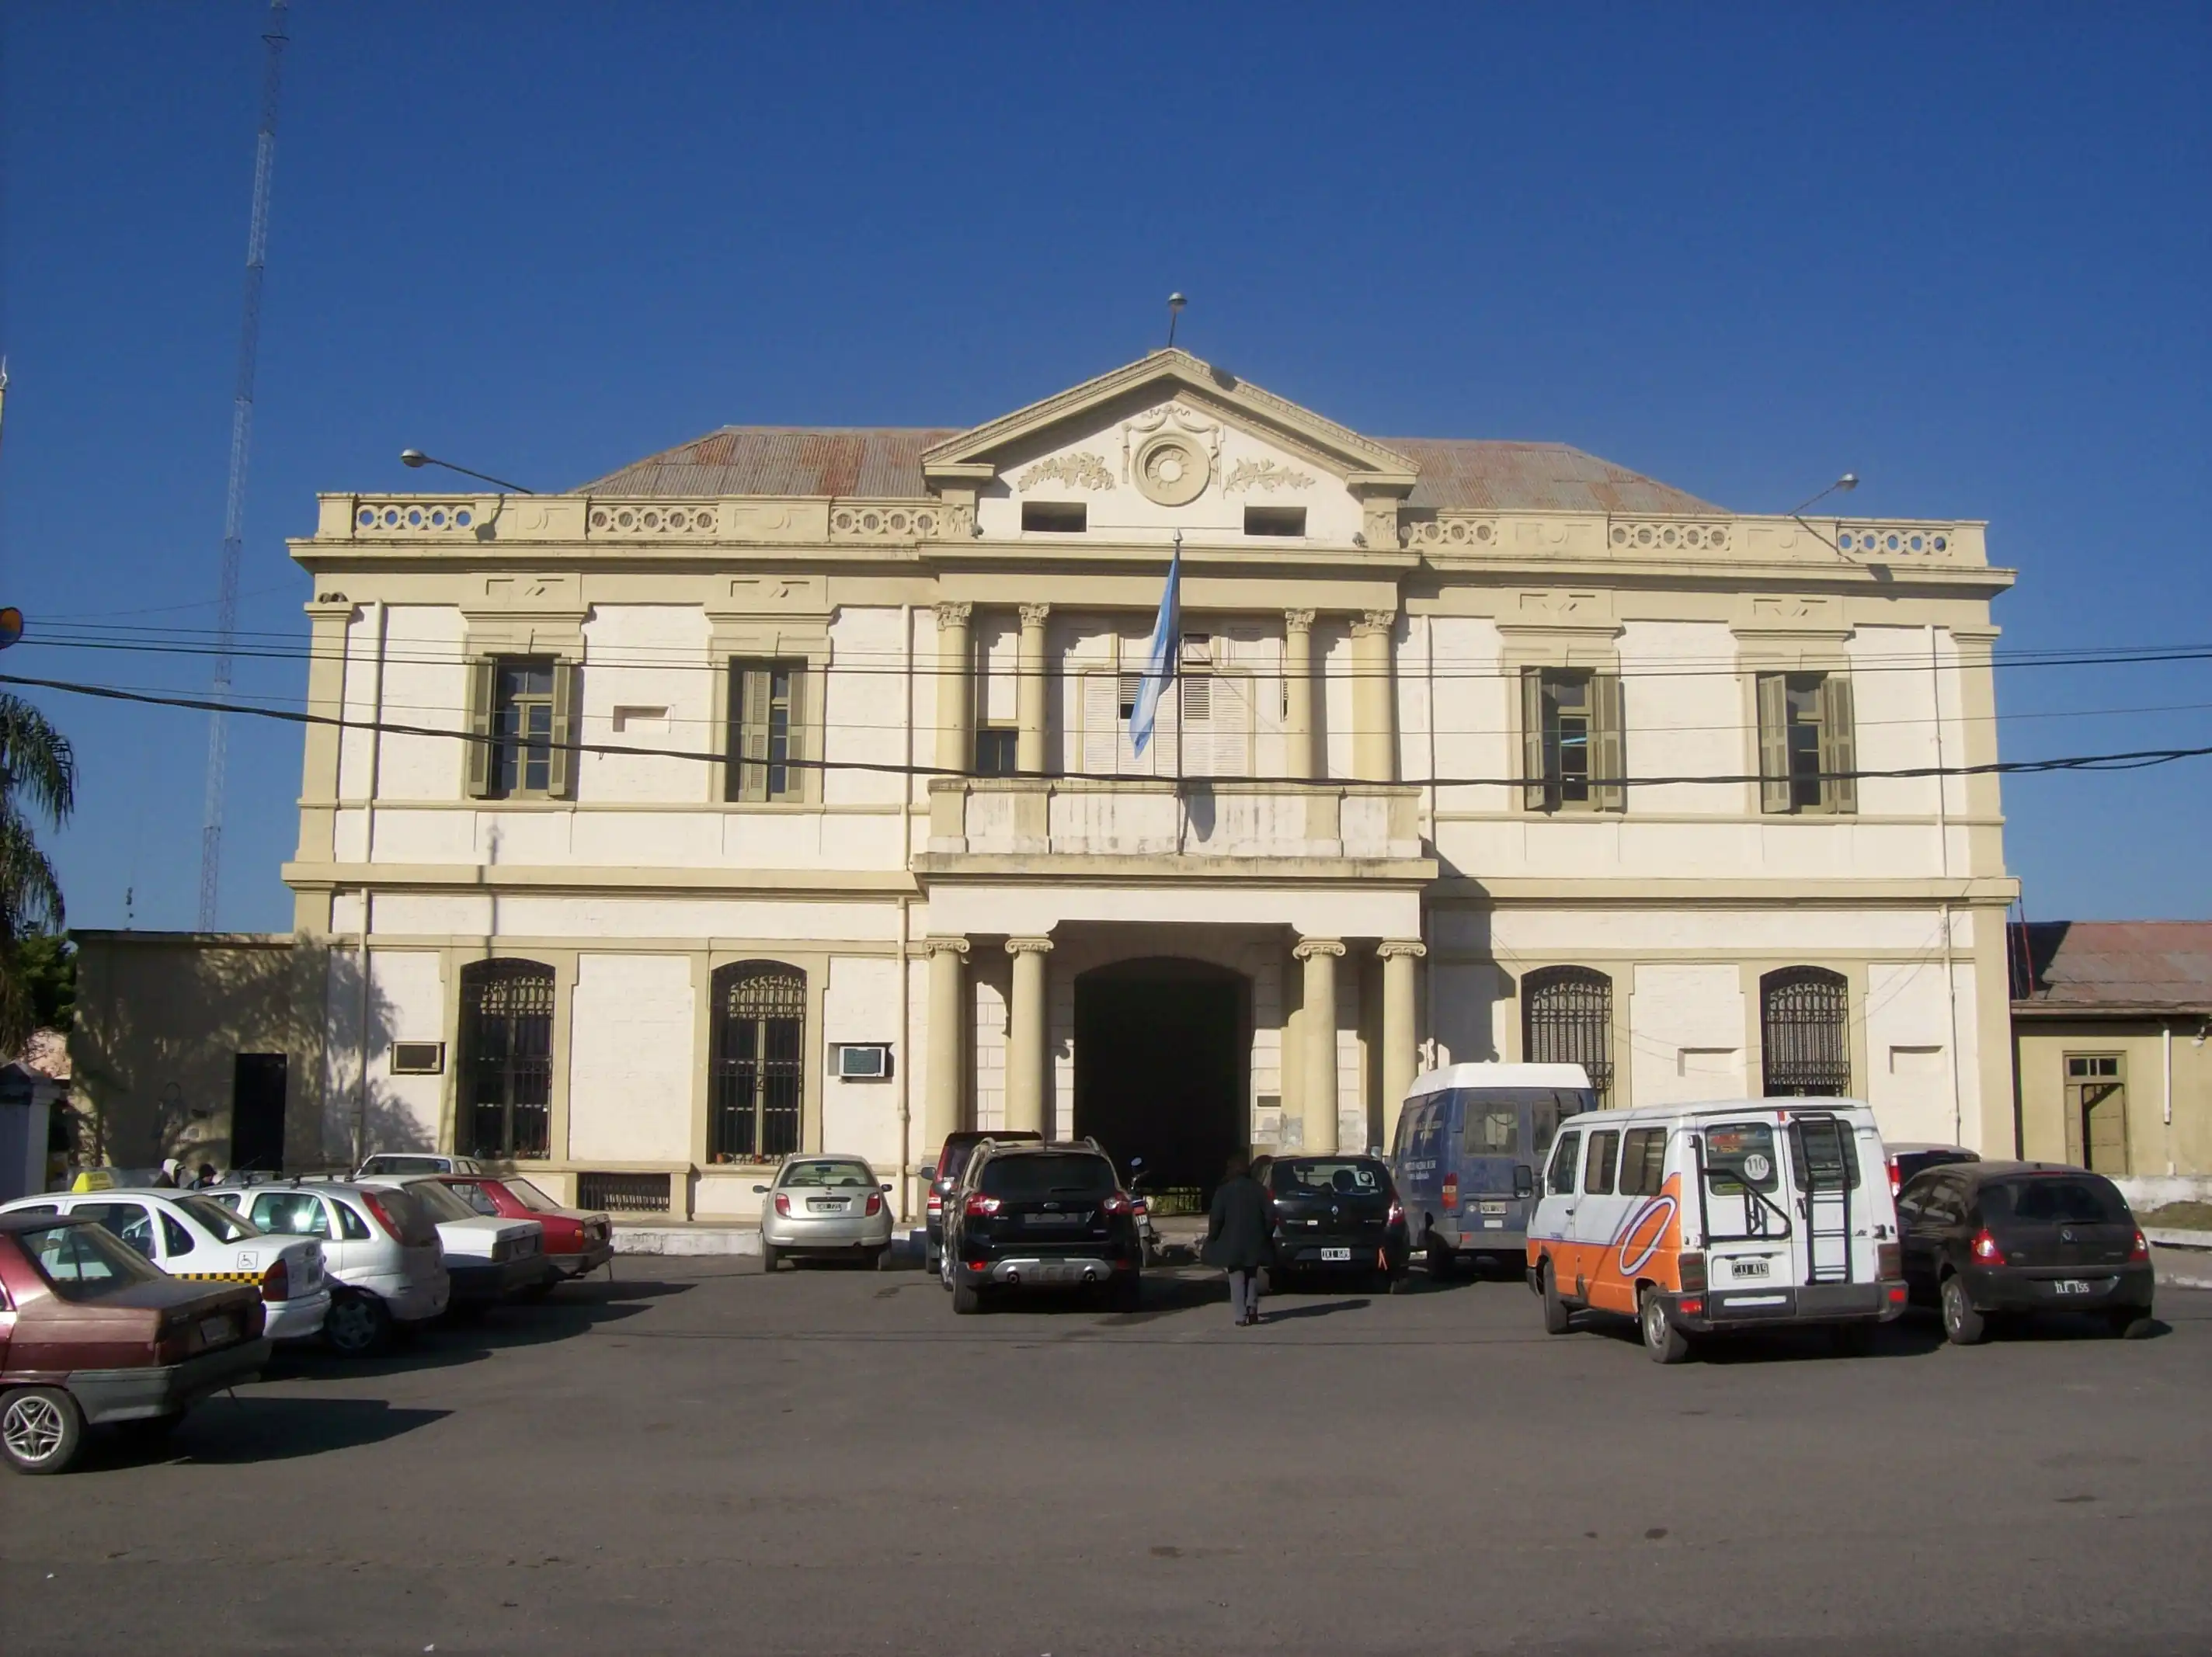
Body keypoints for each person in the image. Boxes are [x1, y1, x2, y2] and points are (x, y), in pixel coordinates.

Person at [1204, 1152, 1274, 1327]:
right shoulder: (1259, 1190)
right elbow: (1271, 1215)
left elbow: (1216, 1218)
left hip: (1232, 1240)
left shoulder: (1224, 1191)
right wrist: (1265, 1233)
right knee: (1252, 1273)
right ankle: (1252, 1308)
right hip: (1255, 1239)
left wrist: (1213, 1237)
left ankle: (1241, 1315)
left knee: (1236, 1276)